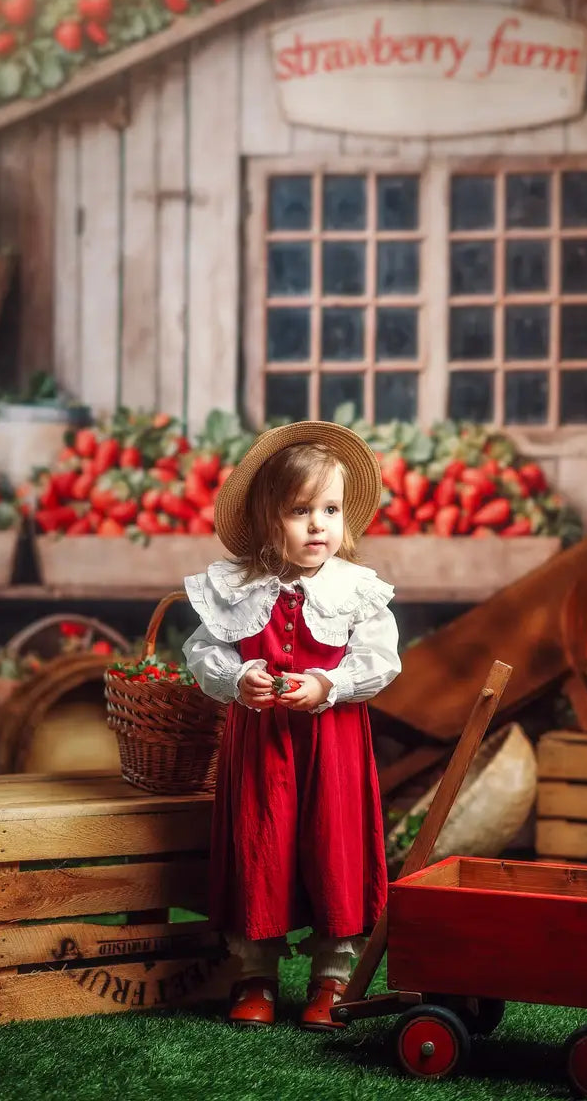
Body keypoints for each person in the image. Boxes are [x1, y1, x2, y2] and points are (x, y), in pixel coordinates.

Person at [182, 420, 401, 1030]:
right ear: (266, 519)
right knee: (262, 845)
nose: (317, 525)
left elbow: (382, 659)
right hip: (262, 746)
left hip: (332, 746)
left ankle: (332, 977)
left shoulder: (356, 590)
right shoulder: (237, 588)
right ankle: (256, 973)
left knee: (333, 844)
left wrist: (330, 683)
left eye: (329, 510)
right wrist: (239, 676)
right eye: (300, 510)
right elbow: (203, 653)